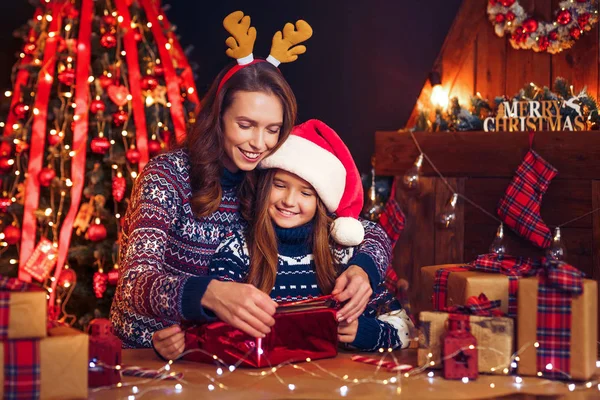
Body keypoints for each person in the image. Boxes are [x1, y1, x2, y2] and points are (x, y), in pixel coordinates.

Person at [110, 12, 393, 359]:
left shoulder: (267, 177)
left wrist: (363, 270)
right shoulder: (167, 176)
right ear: (219, 117)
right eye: (246, 124)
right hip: (150, 350)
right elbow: (134, 282)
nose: (259, 142)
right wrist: (209, 293)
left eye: (273, 129)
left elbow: (368, 231)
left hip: (223, 351)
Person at [208, 119, 412, 351]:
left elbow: (405, 329)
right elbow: (213, 327)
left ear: (321, 202)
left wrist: (361, 332)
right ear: (265, 186)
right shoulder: (237, 250)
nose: (289, 201)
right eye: (280, 185)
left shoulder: (342, 255)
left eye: (306, 193)